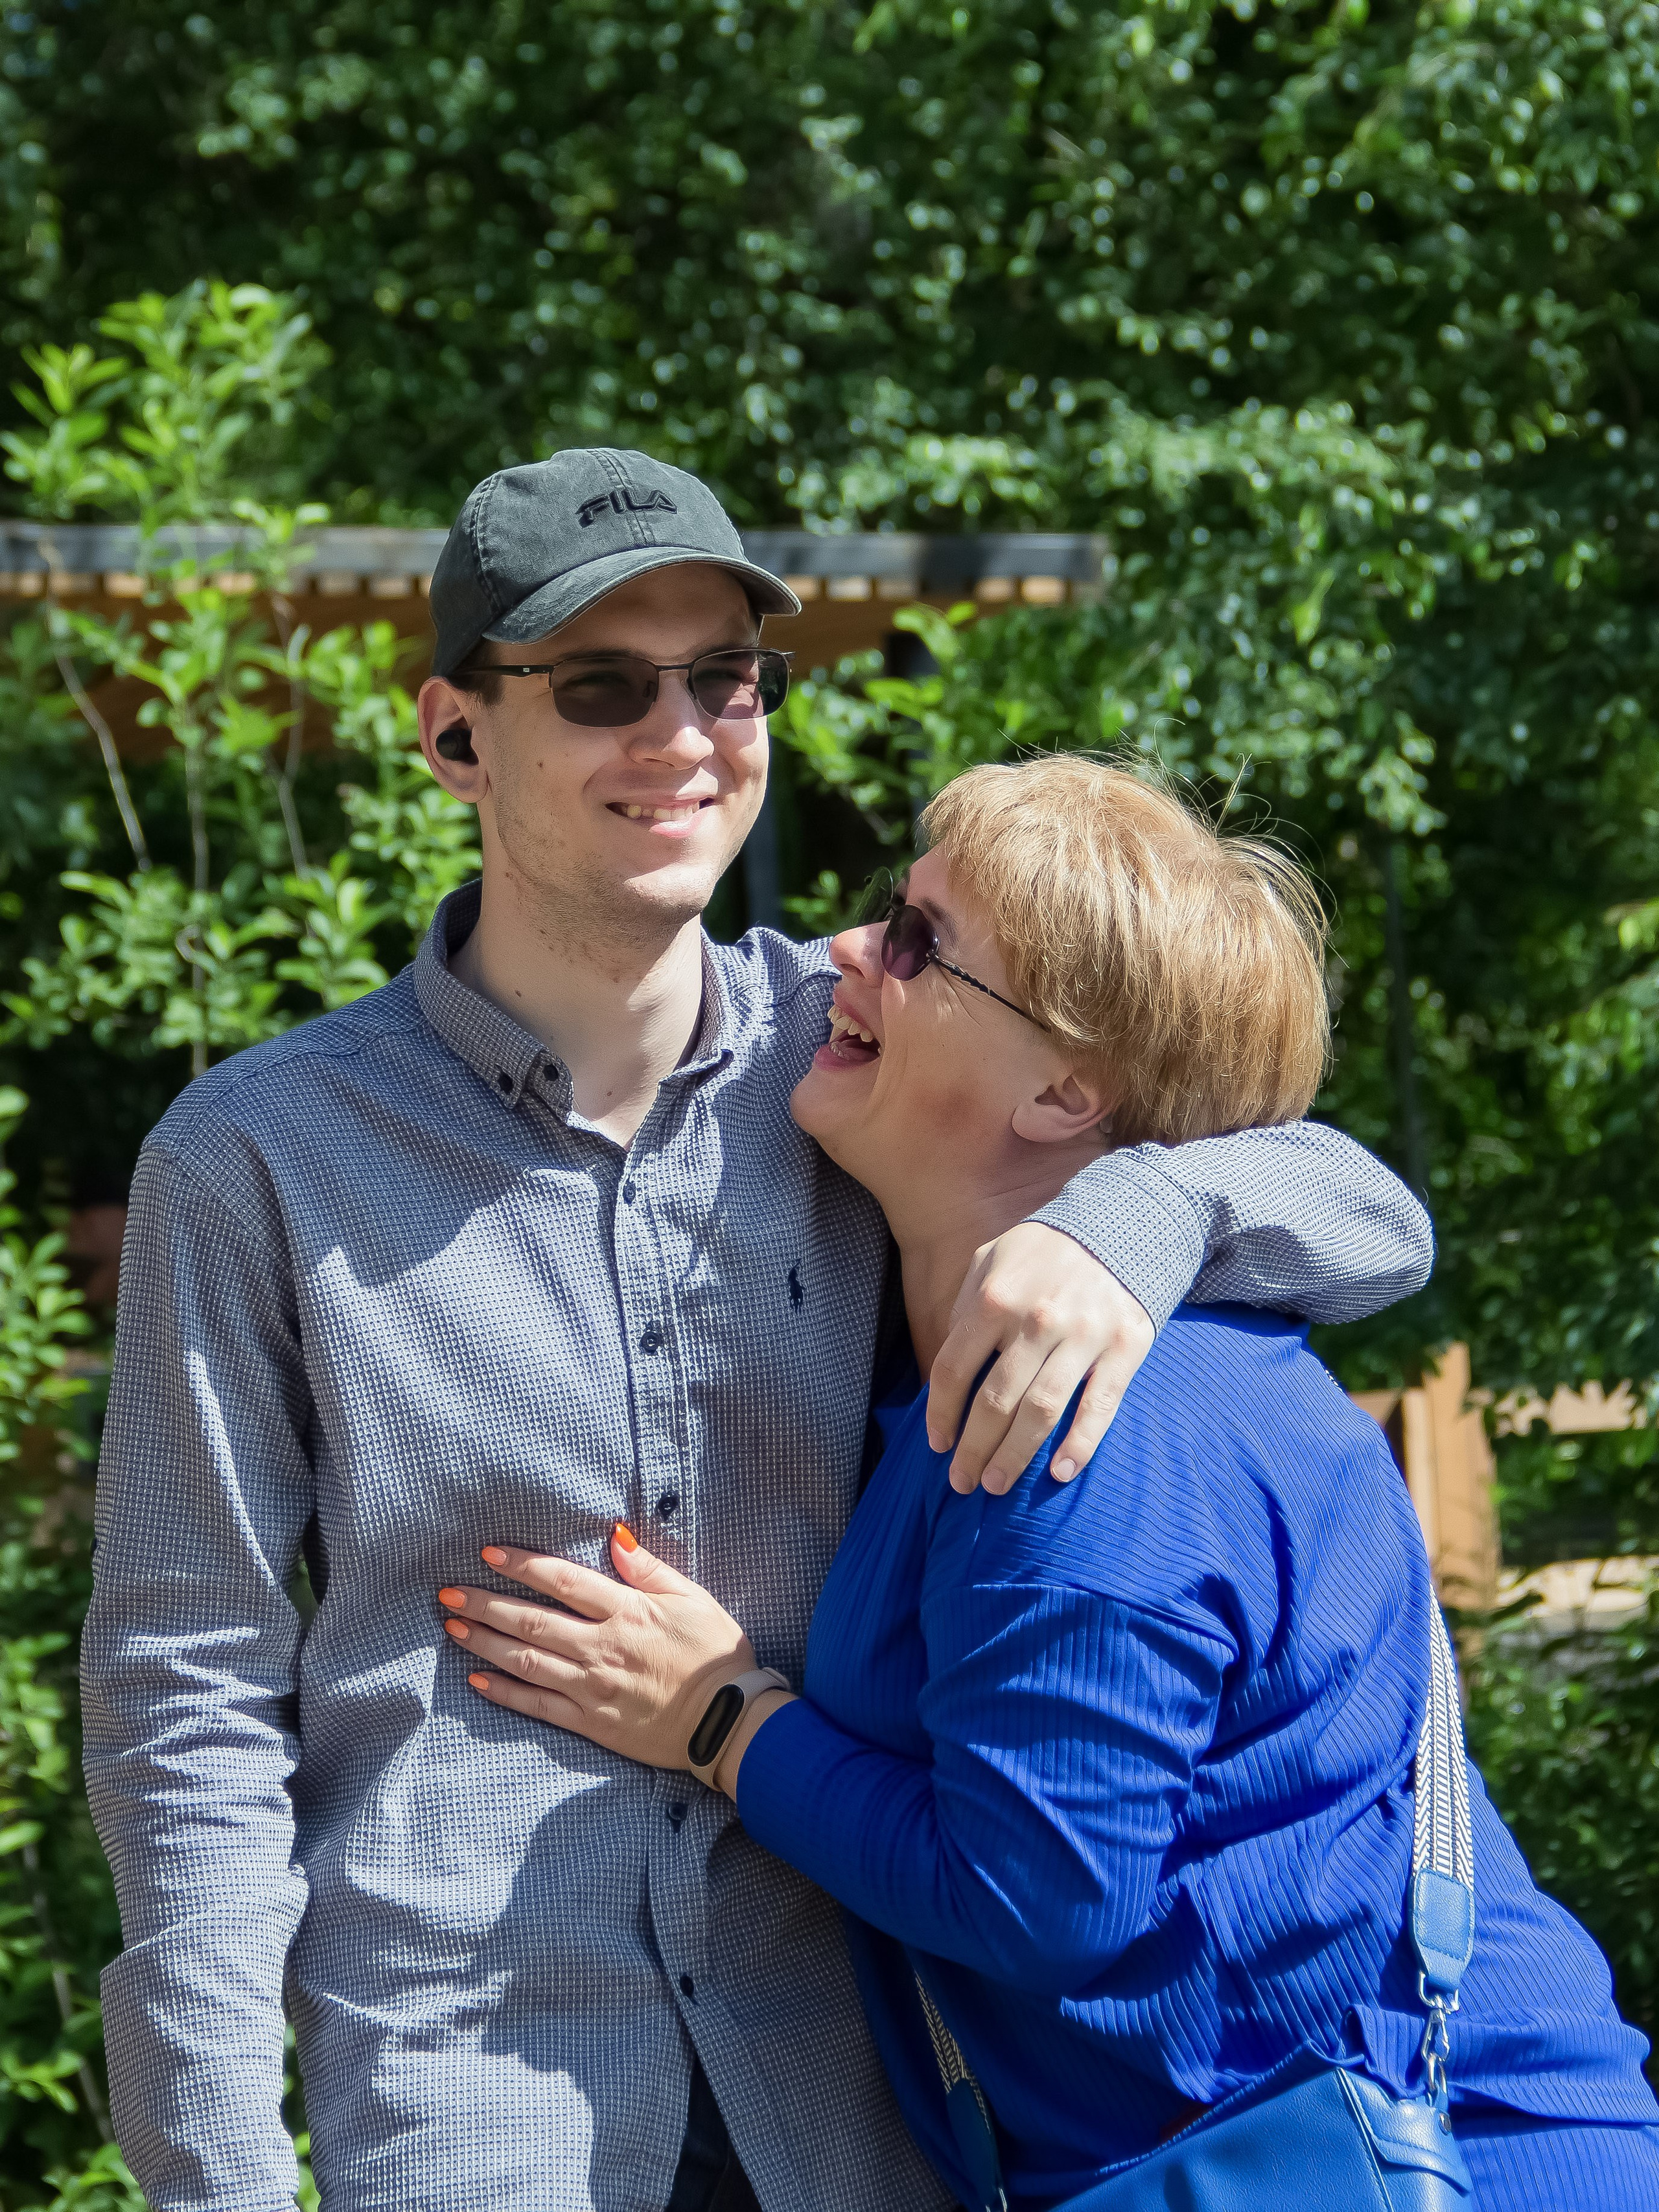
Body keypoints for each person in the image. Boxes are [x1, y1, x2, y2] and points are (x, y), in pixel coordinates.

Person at [82, 452, 1434, 2212]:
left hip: (864, 2089)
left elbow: (1369, 1213)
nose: (685, 732)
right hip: (477, 2085)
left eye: (727, 676)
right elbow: (183, 1691)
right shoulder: (254, 1156)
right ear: (452, 734)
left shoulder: (862, 1050)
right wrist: (214, 2172)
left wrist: (1141, 1212)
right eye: (600, 686)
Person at [447, 757, 1659, 2211]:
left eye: (916, 941)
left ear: (1066, 1090)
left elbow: (1038, 1902)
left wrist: (721, 1721)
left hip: (1426, 2168)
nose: (846, 950)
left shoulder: (1093, 1439)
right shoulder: (971, 1365)